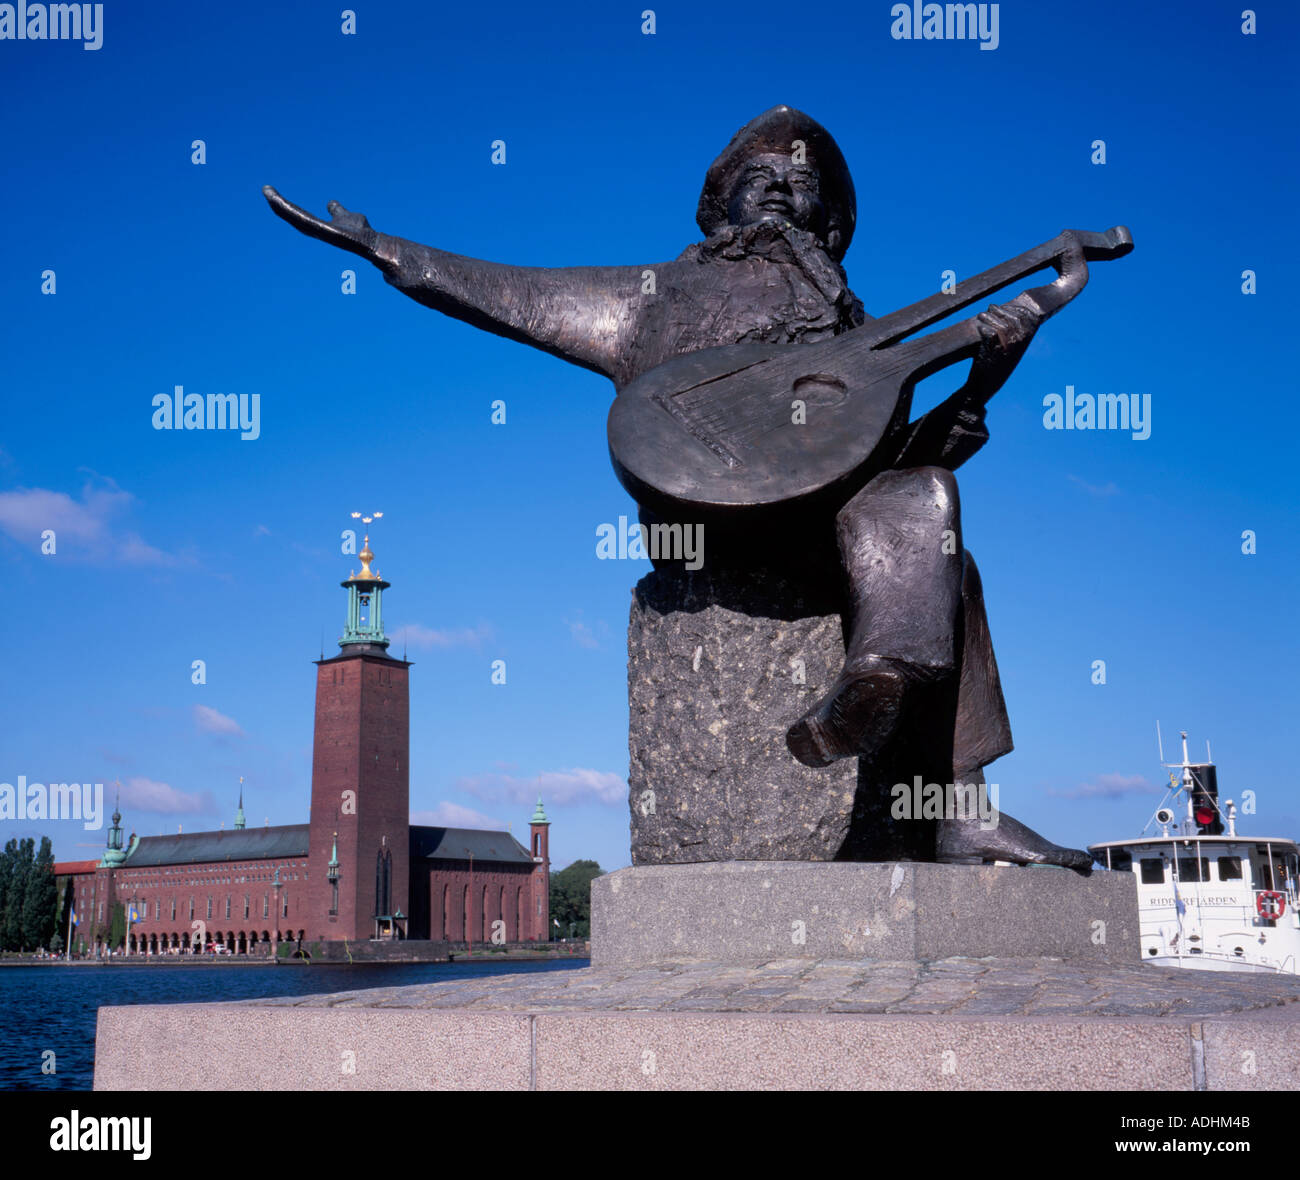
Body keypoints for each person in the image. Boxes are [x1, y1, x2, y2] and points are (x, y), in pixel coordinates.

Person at [264, 106, 1089, 869]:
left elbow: (898, 465)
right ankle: (913, 744)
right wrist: (386, 249)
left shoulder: (862, 337)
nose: (777, 191)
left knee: (935, 516)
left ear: (829, 225)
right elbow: (511, 294)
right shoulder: (646, 299)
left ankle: (924, 763)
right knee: (930, 536)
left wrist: (984, 380)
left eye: (801, 184)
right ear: (718, 205)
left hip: (813, 526)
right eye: (756, 178)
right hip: (697, 518)